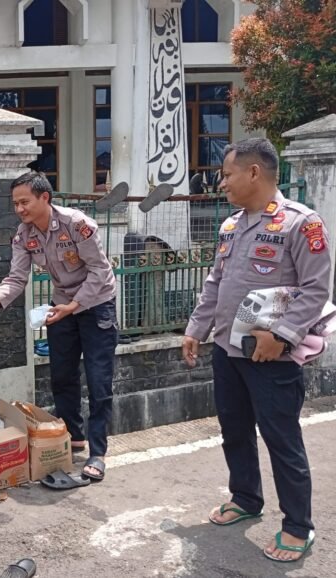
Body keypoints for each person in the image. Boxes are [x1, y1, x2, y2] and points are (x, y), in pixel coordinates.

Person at [182, 138, 329, 563]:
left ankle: (298, 526)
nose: (222, 183)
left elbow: (316, 289)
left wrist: (281, 334)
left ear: (253, 172)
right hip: (227, 349)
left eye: (227, 175)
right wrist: (196, 328)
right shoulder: (231, 226)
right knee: (234, 429)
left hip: (271, 357)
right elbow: (216, 283)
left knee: (282, 439)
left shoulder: (301, 223)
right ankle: (246, 497)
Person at [0, 172, 118, 482]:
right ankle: (73, 436)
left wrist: (74, 306)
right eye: (15, 204)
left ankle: (98, 452)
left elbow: (100, 271)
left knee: (99, 380)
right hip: (61, 306)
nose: (19, 209)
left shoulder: (77, 224)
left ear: (44, 197)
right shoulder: (24, 235)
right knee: (61, 375)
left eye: (24, 202)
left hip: (96, 304)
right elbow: (16, 278)